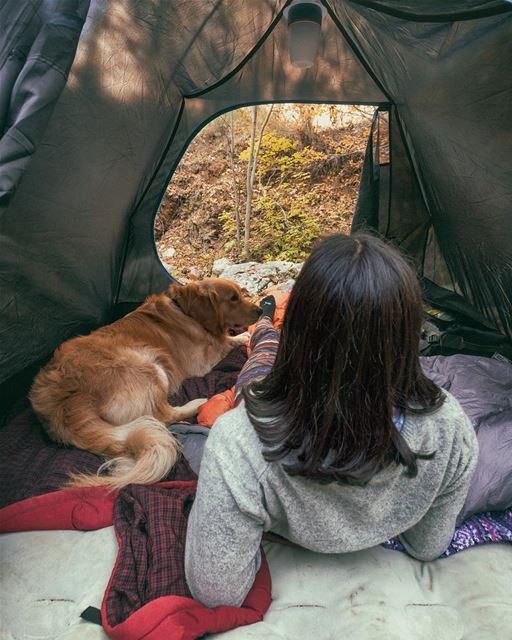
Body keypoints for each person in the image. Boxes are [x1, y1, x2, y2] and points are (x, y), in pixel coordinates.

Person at [184, 232, 479, 608]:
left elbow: (215, 590)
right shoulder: (450, 426)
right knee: (263, 348)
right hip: (301, 393)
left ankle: (266, 324)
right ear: (406, 337)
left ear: (300, 330)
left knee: (260, 357)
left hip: (268, 393)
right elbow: (427, 546)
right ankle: (265, 320)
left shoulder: (239, 442)